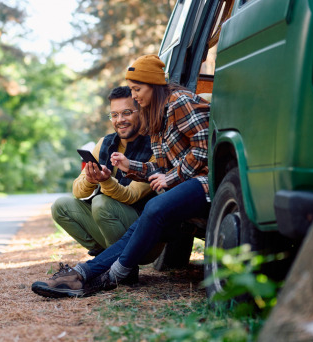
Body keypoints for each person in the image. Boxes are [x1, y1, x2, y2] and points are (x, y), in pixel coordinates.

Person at [32, 54, 211, 298]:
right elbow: (158, 169)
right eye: (132, 89)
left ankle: (103, 276)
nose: (135, 95)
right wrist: (130, 166)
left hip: (205, 181)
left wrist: (171, 178)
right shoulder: (155, 117)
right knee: (136, 224)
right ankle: (85, 273)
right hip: (185, 185)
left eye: (137, 89)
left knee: (152, 208)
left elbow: (205, 147)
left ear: (154, 85)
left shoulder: (179, 101)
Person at [51, 86, 154, 257]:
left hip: (142, 234)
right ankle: (104, 258)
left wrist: (106, 181)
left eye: (126, 113)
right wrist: (91, 180)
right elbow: (77, 191)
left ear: (141, 112)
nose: (120, 119)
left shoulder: (154, 147)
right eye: (114, 114)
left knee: (101, 203)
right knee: (60, 206)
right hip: (110, 228)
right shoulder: (104, 143)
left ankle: (123, 267)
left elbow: (132, 196)